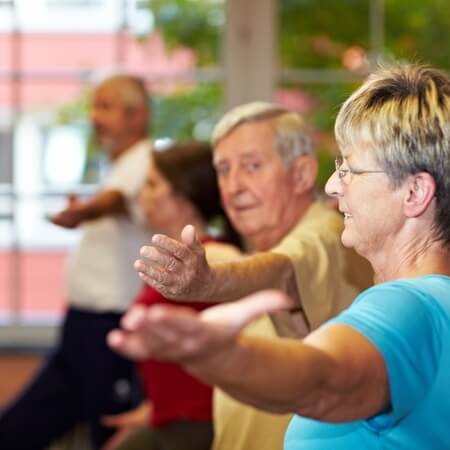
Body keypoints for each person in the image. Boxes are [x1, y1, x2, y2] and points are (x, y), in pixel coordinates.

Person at [109, 64, 450, 449]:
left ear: (414, 193)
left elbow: (322, 381)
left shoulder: (406, 304)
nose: (332, 185)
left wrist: (219, 353)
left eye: (350, 170)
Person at [129, 103, 373, 450]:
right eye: (223, 170)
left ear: (302, 174)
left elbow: (281, 272)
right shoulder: (263, 244)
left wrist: (209, 281)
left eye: (252, 166)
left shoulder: (327, 233)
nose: (233, 186)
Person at [0, 74, 152, 450]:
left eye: (106, 106)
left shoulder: (145, 160)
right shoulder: (118, 164)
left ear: (138, 116)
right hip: (80, 331)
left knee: (110, 437)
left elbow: (115, 200)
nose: (94, 116)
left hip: (111, 331)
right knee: (15, 430)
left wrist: (82, 213)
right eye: (94, 106)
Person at [101, 142, 241, 450]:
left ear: (183, 196)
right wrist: (154, 409)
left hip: (198, 422)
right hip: (171, 417)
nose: (141, 195)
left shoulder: (215, 258)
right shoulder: (175, 258)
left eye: (152, 185)